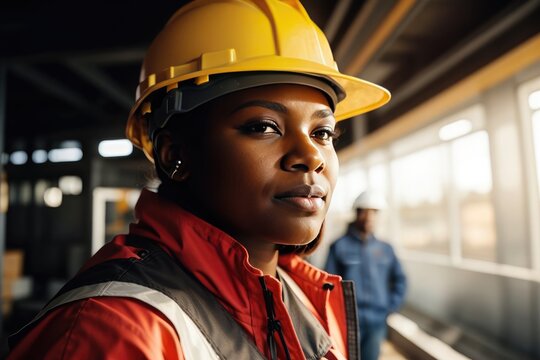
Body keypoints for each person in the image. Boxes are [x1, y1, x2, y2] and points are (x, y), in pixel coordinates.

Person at [7, 0, 390, 359]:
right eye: (263, 126)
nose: (310, 156)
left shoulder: (305, 296)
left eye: (323, 133)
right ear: (176, 154)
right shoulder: (112, 331)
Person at [325, 190, 407, 360]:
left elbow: (400, 280)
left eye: (374, 212)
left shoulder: (385, 249)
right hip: (348, 321)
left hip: (377, 320)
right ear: (356, 213)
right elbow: (328, 284)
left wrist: (389, 307)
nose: (370, 217)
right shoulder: (339, 247)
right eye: (365, 211)